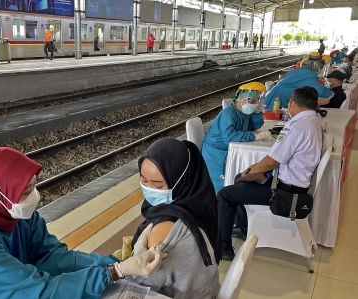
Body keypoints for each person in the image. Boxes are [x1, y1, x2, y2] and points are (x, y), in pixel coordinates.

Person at [0, 148, 165, 298]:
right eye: (25, 191)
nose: (34, 196)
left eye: (33, 186)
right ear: (0, 194)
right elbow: (42, 292)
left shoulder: (12, 215)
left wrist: (119, 262)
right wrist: (114, 273)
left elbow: (54, 257)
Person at [218, 86, 324, 260]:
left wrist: (247, 172)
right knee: (244, 182)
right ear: (315, 105)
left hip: (284, 193)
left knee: (225, 194)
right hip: (295, 186)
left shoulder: (297, 126)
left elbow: (271, 162)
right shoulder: (315, 124)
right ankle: (244, 226)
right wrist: (253, 172)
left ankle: (224, 249)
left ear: (291, 103)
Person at [130, 138, 221, 299]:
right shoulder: (197, 203)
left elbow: (136, 287)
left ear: (181, 181)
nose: (150, 189)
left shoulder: (163, 232)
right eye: (144, 180)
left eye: (158, 186)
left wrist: (120, 269)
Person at [202, 82, 269, 194]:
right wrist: (254, 137)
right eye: (252, 101)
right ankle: (218, 205)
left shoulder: (243, 112)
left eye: (256, 102)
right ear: (242, 99)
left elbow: (254, 126)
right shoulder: (228, 114)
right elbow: (230, 137)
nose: (254, 104)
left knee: (233, 177)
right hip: (216, 152)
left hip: (228, 149)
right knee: (221, 184)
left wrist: (257, 112)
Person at [264, 52, 333, 110]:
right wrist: (332, 93)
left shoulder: (302, 70)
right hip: (278, 99)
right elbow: (320, 91)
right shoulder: (309, 74)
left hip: (276, 96)